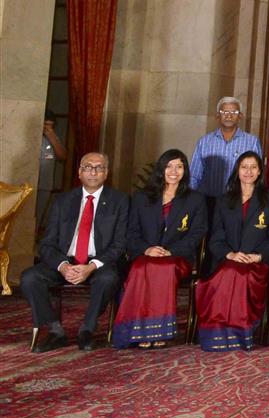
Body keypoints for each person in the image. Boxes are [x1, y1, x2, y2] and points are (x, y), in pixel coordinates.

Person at [22, 152, 128, 352]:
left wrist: (91, 266)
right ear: (79, 172)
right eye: (88, 167)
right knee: (30, 277)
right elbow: (46, 243)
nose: (93, 172)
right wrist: (63, 266)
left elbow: (120, 244)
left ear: (106, 173)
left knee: (108, 279)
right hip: (66, 261)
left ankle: (87, 330)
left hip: (99, 263)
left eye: (99, 167)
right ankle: (54, 330)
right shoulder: (63, 201)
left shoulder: (120, 201)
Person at [112, 149, 208, 349]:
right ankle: (138, 330)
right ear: (161, 169)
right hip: (146, 255)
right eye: (169, 166)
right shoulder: (141, 197)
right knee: (140, 268)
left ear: (185, 170)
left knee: (162, 269)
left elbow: (197, 233)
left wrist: (170, 251)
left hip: (178, 257)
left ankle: (158, 330)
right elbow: (131, 232)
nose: (174, 171)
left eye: (179, 166)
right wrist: (147, 249)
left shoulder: (195, 199)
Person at [196, 151, 269, 351]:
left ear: (260, 171)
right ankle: (217, 334)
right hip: (227, 260)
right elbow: (215, 239)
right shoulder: (224, 200)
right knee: (229, 272)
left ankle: (240, 334)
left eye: (253, 167)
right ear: (237, 171)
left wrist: (258, 256)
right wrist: (231, 254)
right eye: (244, 167)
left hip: (257, 262)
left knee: (238, 274)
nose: (248, 171)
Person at [189, 97, 262, 199]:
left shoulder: (252, 142)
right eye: (224, 112)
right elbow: (194, 175)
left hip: (239, 200)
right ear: (218, 116)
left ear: (240, 116)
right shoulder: (204, 142)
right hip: (208, 200)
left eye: (234, 112)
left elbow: (258, 174)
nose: (229, 115)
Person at [37, 110, 67, 229]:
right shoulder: (32, 137)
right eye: (45, 125)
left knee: (38, 216)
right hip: (27, 183)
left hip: (45, 184)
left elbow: (63, 156)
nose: (47, 128)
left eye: (50, 126)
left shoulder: (53, 138)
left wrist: (52, 137)